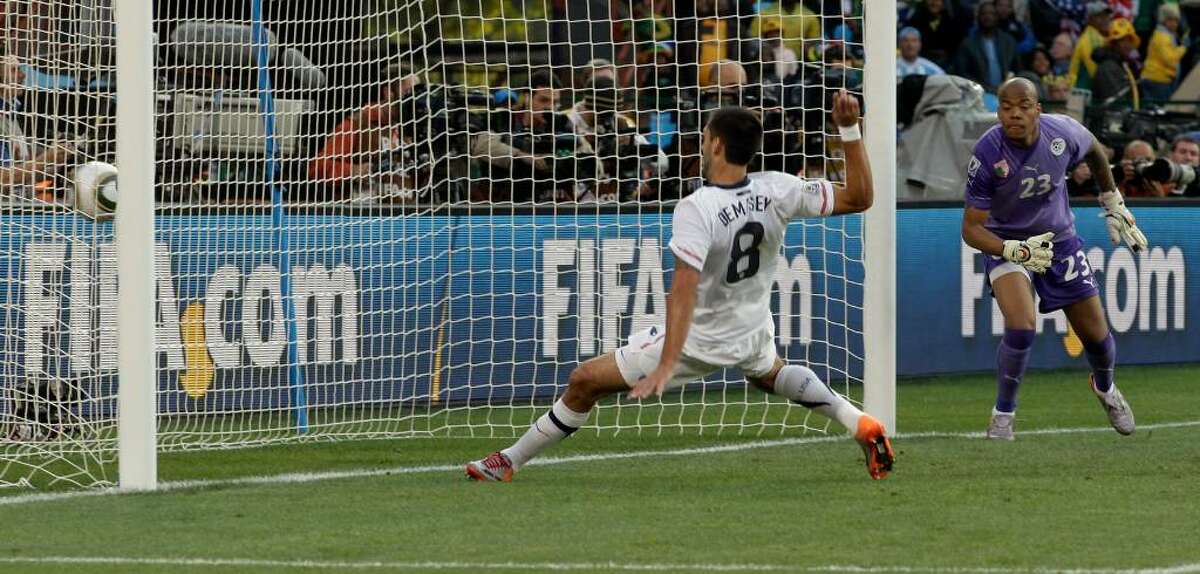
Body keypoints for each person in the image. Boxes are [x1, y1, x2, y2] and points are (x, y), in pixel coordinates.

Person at [466, 96, 894, 482]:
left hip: (699, 337)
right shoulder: (778, 187)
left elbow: (684, 290)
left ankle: (509, 461)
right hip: (751, 324)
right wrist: (850, 131)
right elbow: (860, 198)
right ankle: (856, 421)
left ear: (717, 146)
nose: (703, 142)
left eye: (706, 136)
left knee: (584, 381)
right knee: (770, 374)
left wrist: (667, 362)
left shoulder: (698, 207)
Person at [961, 78, 1144, 441]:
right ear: (998, 112)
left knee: (1097, 335)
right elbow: (971, 229)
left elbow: (1094, 149)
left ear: (1037, 109)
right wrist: (1011, 250)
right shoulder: (986, 154)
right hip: (1008, 243)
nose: (1014, 114)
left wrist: (1111, 199)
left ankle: (1106, 388)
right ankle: (1003, 416)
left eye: (1023, 106)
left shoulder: (1062, 134)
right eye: (1006, 107)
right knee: (1022, 325)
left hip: (1059, 241)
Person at [952, 1, 1022, 93]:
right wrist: (985, 88)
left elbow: (1017, 69)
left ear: (997, 17)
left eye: (992, 14)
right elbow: (962, 73)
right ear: (977, 18)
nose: (988, 17)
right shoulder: (967, 44)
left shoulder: (1009, 41)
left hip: (1007, 92)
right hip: (978, 93)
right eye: (983, 14)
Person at [1140, 3, 1188, 102]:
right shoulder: (1162, 36)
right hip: (1157, 80)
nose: (1174, 23)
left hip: (1158, 79)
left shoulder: (1168, 34)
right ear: (1163, 20)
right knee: (1161, 111)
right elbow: (1170, 59)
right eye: (1170, 20)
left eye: (1176, 20)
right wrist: (1184, 47)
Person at [1091, 18, 1143, 109]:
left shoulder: (1124, 65)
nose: (1127, 45)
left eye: (1129, 40)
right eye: (1122, 40)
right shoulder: (1108, 67)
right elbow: (1116, 103)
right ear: (1113, 43)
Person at [1068, 1, 1113, 90]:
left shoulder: (1098, 36)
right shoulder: (1091, 38)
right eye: (1100, 16)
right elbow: (1094, 70)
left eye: (1106, 16)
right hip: (1083, 90)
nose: (1105, 19)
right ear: (1090, 19)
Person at [907, 0, 964, 68]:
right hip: (921, 61)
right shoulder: (916, 18)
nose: (934, 3)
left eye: (938, 0)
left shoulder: (953, 19)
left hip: (947, 63)